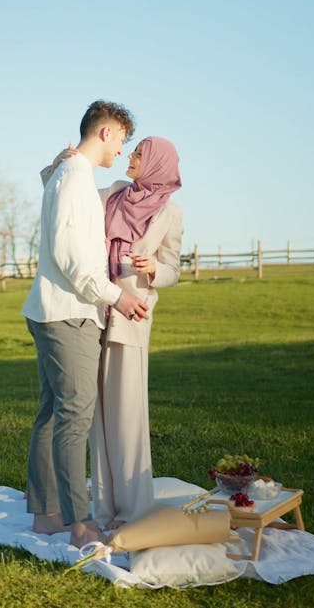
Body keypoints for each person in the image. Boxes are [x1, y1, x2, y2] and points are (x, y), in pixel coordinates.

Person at [22, 101, 149, 549]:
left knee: (53, 414)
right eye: (123, 140)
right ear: (108, 132)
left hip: (51, 310)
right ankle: (79, 523)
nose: (122, 150)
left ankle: (46, 515)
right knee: (75, 417)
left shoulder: (68, 173)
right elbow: (73, 258)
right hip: (69, 314)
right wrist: (119, 296)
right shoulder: (75, 178)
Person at [91, 136, 183, 527]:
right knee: (98, 419)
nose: (131, 157)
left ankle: (132, 508)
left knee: (126, 414)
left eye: (140, 154)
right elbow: (68, 200)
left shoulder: (170, 213)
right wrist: (61, 166)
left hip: (132, 317)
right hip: (94, 310)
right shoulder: (111, 193)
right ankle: (103, 507)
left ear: (156, 164)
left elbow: (173, 270)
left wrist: (152, 269)